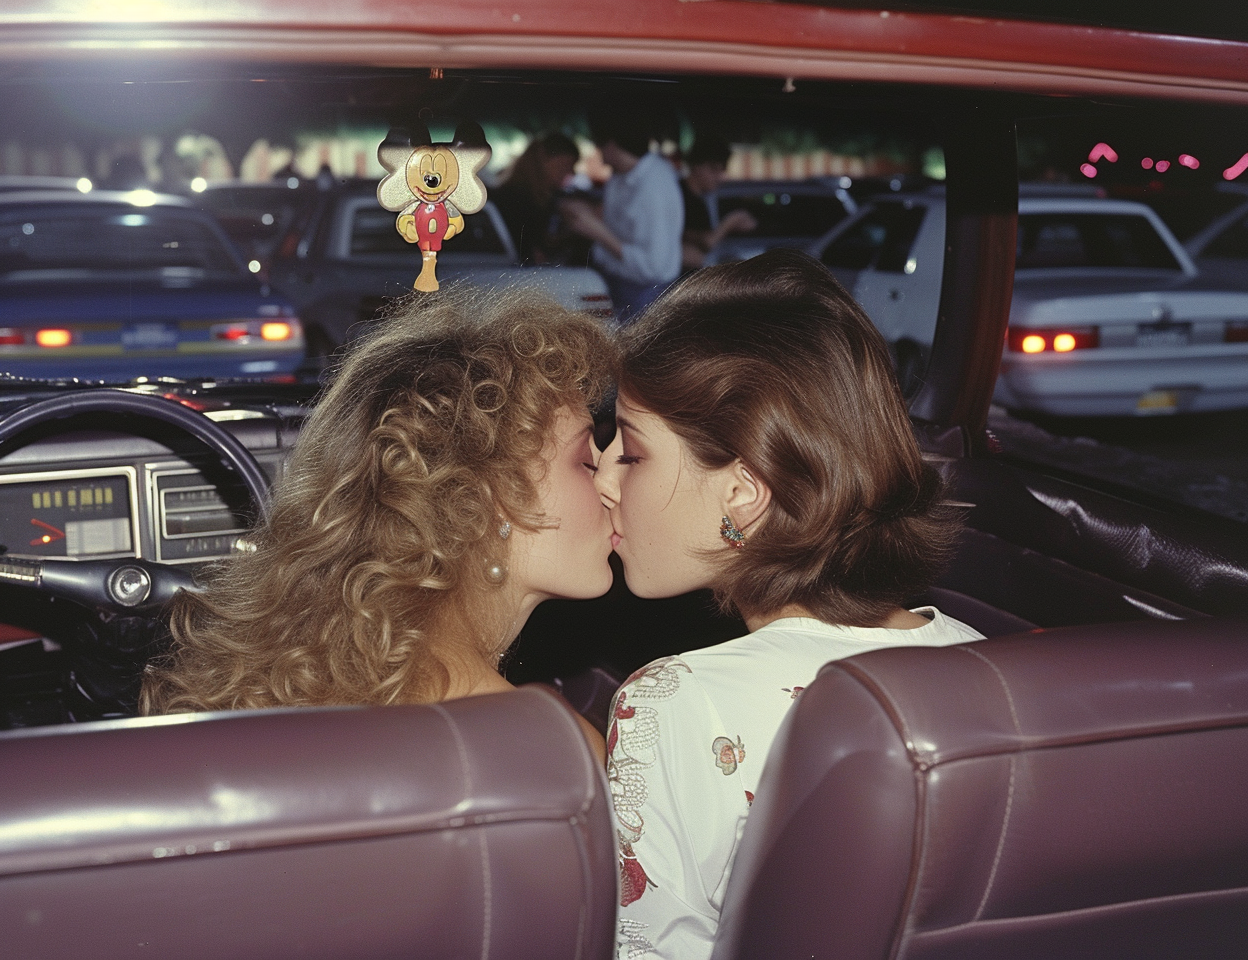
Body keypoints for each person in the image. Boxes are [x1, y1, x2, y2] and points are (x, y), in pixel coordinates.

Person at [592, 249, 984, 959]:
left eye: (634, 452)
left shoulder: (673, 705)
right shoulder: (975, 654)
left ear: (743, 490)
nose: (604, 482)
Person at [140, 288, 617, 760]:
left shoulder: (270, 688)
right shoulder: (554, 750)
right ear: (486, 497)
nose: (611, 486)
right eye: (586, 462)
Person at [560, 106, 683, 322]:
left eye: (598, 141)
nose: (596, 149)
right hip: (615, 283)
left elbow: (653, 268)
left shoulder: (655, 186)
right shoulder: (620, 178)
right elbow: (617, 221)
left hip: (646, 298)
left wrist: (597, 232)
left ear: (612, 143)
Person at [491, 132, 580, 264]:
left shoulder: (543, 197)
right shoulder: (516, 199)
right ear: (544, 160)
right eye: (565, 165)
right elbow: (533, 251)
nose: (571, 172)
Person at [679, 135, 757, 272]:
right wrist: (731, 221)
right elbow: (706, 242)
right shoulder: (680, 196)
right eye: (714, 169)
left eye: (722, 170)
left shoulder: (699, 200)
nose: (720, 177)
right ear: (697, 165)